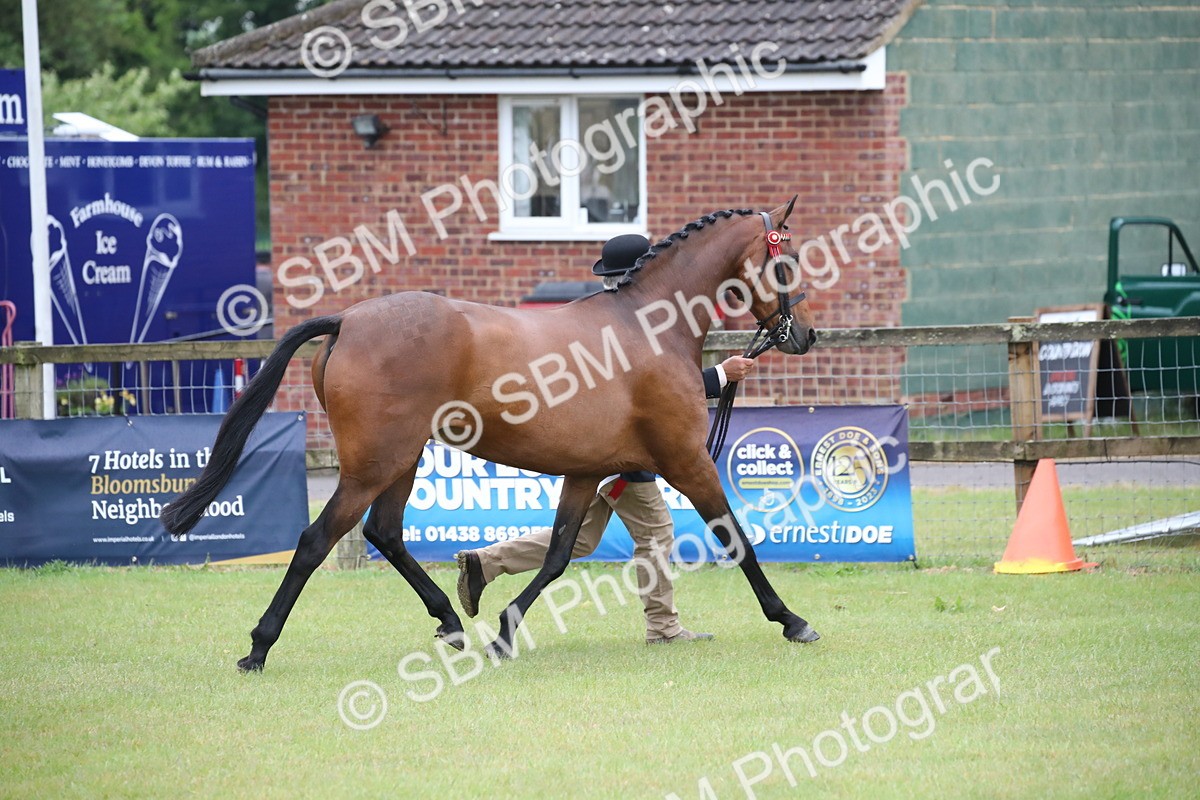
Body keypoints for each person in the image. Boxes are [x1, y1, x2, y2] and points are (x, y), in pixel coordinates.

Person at [455, 234, 757, 645]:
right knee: (655, 533)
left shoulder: (604, 318)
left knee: (581, 537)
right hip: (626, 451)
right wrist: (721, 376)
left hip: (616, 444)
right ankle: (663, 628)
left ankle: (486, 563)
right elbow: (659, 394)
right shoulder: (628, 328)